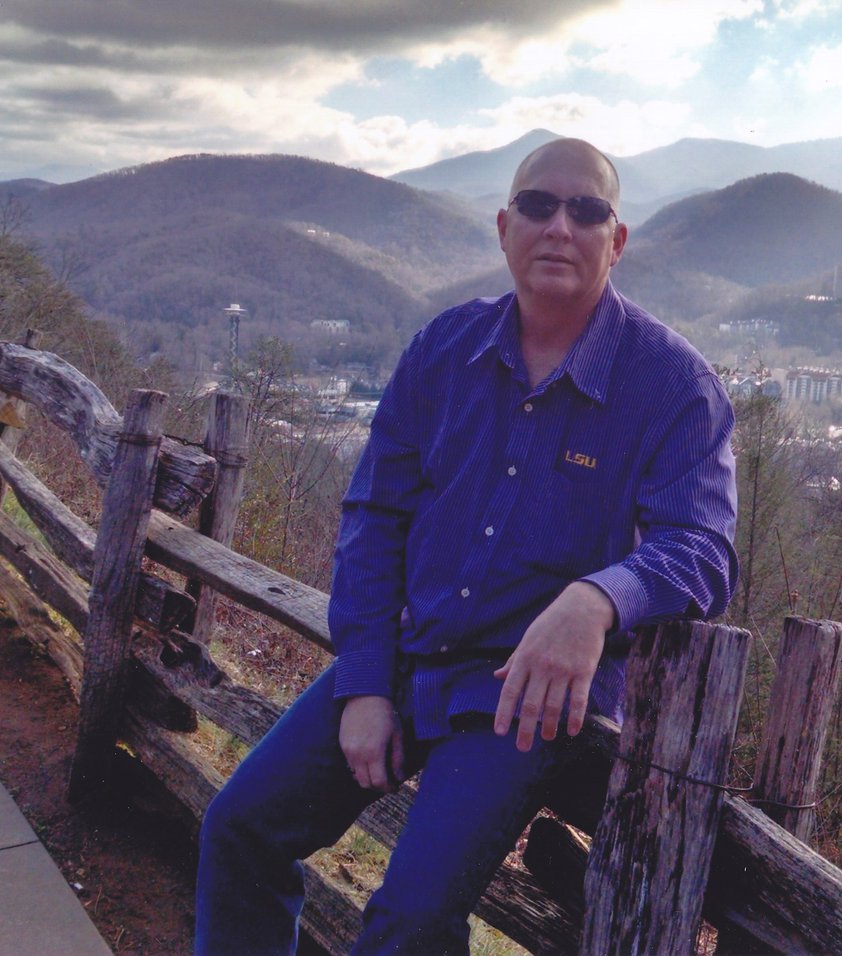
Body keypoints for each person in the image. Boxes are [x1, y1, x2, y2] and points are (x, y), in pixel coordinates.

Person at [195, 137, 739, 956]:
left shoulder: (674, 387)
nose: (560, 225)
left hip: (521, 698)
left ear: (616, 241)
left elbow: (703, 546)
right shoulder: (444, 351)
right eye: (538, 205)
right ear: (503, 226)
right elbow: (375, 517)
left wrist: (598, 598)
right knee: (240, 827)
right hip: (411, 650)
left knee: (409, 918)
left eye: (587, 210)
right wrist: (369, 683)